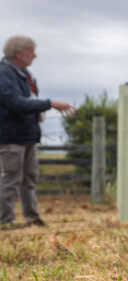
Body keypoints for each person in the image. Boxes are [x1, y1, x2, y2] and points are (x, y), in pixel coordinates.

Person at [0, 36, 75, 229]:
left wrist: (38, 112)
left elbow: (27, 101)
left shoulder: (25, 75)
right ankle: (5, 221)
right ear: (18, 53)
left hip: (27, 135)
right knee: (11, 178)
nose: (34, 55)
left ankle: (32, 218)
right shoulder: (4, 74)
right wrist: (49, 104)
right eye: (31, 51)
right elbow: (15, 103)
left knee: (29, 178)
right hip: (11, 137)